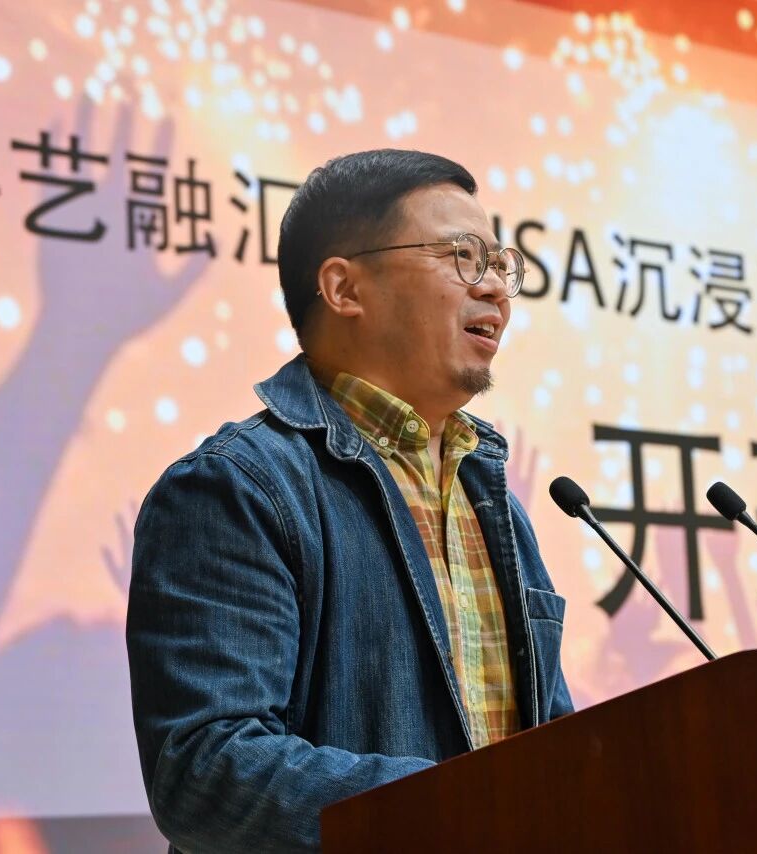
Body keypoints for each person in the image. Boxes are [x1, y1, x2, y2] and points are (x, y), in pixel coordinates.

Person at [126, 149, 573, 853]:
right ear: (343, 288)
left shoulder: (492, 501)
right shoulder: (237, 489)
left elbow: (553, 752)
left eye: (499, 264)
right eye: (461, 256)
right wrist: (470, 810)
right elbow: (207, 770)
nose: (494, 288)